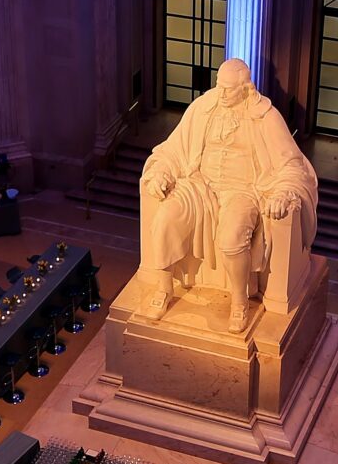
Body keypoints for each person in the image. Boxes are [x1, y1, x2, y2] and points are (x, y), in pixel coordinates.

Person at [134, 58, 319, 332]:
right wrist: (161, 172)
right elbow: (174, 149)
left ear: (246, 89)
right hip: (199, 185)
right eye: (219, 87)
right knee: (164, 221)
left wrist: (283, 191)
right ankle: (163, 290)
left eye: (228, 89)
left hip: (243, 191)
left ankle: (239, 302)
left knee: (232, 238)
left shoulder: (265, 116)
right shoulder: (203, 108)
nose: (221, 94)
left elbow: (291, 164)